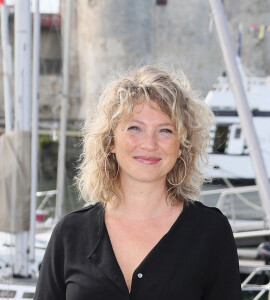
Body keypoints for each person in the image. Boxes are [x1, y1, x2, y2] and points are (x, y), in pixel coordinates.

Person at [34, 65, 242, 300]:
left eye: (165, 131)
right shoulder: (70, 234)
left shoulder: (211, 232)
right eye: (135, 128)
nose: (149, 144)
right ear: (110, 141)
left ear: (182, 146)